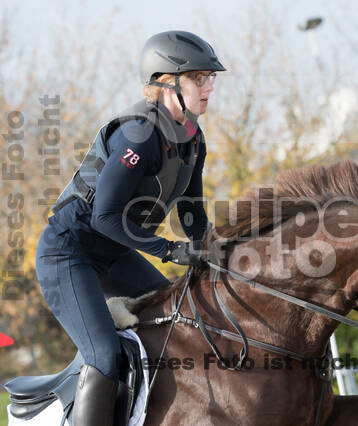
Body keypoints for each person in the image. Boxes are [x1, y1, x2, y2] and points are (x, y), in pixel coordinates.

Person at [35, 30, 225, 426]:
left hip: (115, 253)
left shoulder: (192, 138)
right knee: (104, 356)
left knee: (184, 322)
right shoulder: (138, 135)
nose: (208, 87)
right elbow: (104, 217)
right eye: (198, 78)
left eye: (210, 78)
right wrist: (169, 251)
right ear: (166, 83)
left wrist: (214, 253)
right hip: (69, 253)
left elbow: (191, 213)